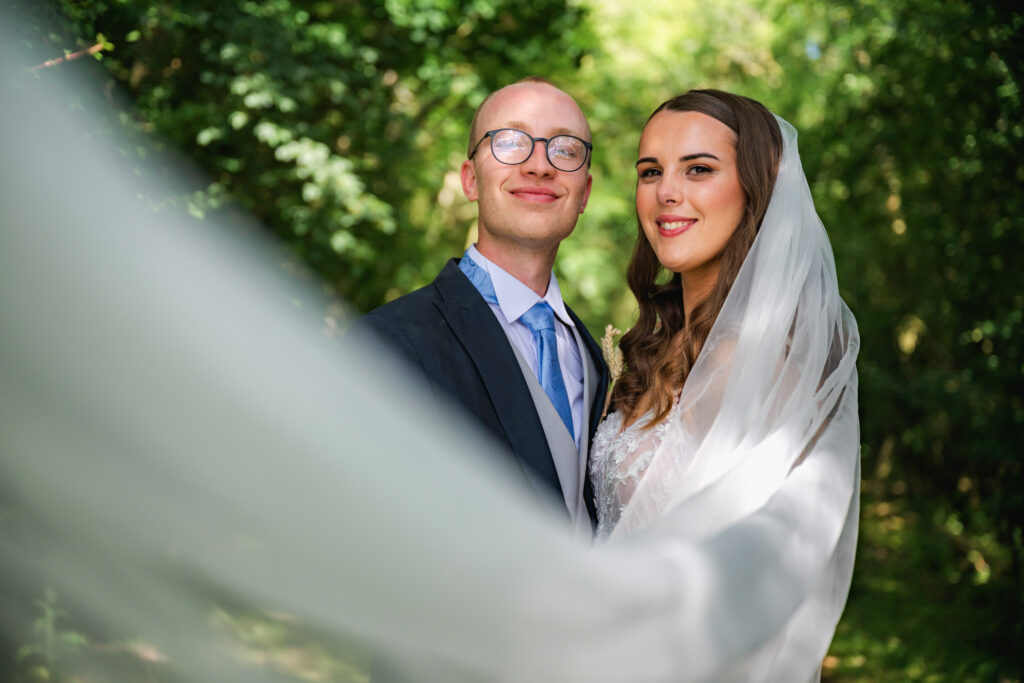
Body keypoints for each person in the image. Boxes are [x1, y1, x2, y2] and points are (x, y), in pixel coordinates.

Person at [587, 89, 861, 679]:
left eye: (700, 170)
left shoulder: (768, 367)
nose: (666, 192)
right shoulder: (654, 352)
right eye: (651, 171)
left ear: (757, 191)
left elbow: (759, 585)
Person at [353, 77, 609, 534]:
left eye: (565, 149)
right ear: (470, 180)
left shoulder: (594, 359)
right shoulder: (390, 342)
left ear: (585, 192)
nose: (539, 165)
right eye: (511, 142)